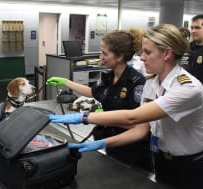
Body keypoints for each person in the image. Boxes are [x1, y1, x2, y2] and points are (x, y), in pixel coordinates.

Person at [49, 24, 203, 189]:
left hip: (193, 166)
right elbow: (140, 129)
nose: (141, 58)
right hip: (162, 162)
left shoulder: (187, 88)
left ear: (167, 54)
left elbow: (133, 117)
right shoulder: (151, 84)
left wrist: (83, 117)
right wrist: (102, 143)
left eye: (147, 52)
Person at [46, 28, 152, 171]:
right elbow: (93, 92)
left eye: (104, 53)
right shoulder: (108, 77)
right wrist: (65, 82)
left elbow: (134, 124)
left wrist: (92, 118)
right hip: (110, 144)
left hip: (130, 150)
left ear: (119, 56)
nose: (100, 56)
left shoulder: (136, 82)